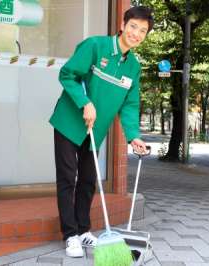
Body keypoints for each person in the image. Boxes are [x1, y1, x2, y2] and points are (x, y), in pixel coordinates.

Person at [49, 6, 154, 258]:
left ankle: (84, 230)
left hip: (95, 130)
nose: (136, 34)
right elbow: (68, 75)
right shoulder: (95, 46)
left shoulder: (134, 67)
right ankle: (70, 235)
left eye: (143, 31)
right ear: (123, 24)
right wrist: (85, 102)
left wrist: (133, 136)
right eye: (133, 27)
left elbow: (130, 104)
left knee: (87, 181)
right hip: (69, 122)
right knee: (68, 179)